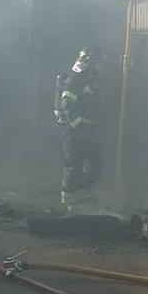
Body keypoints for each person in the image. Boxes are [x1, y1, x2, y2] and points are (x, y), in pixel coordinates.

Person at [53, 49, 103, 210]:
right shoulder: (73, 81)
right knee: (73, 165)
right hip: (74, 131)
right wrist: (80, 127)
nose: (100, 67)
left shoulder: (92, 81)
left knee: (96, 164)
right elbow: (67, 108)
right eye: (98, 63)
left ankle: (83, 193)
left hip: (88, 129)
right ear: (89, 63)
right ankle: (68, 199)